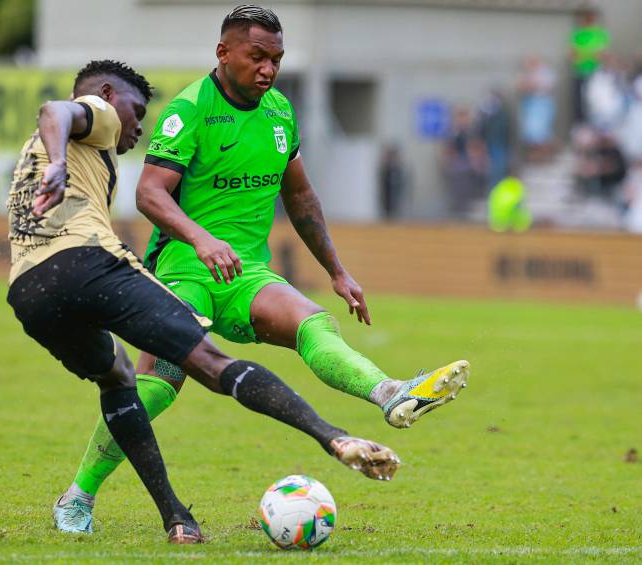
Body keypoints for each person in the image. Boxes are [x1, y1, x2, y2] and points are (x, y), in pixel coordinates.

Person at [53, 7, 470, 534]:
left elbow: (300, 196)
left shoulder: (279, 112)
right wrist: (203, 239)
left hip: (246, 273)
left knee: (314, 322)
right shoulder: (191, 109)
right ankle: (77, 497)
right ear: (224, 52)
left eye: (276, 58)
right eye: (258, 56)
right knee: (159, 384)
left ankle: (391, 394)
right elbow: (149, 193)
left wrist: (338, 272)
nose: (269, 69)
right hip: (183, 270)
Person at [7, 58, 403, 544]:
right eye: (136, 112)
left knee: (120, 380)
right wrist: (64, 160)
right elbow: (56, 110)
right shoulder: (101, 112)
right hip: (96, 264)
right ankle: (333, 437)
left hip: (29, 291)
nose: (138, 127)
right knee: (205, 361)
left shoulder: (58, 154)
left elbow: (300, 193)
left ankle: (158, 514)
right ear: (110, 96)